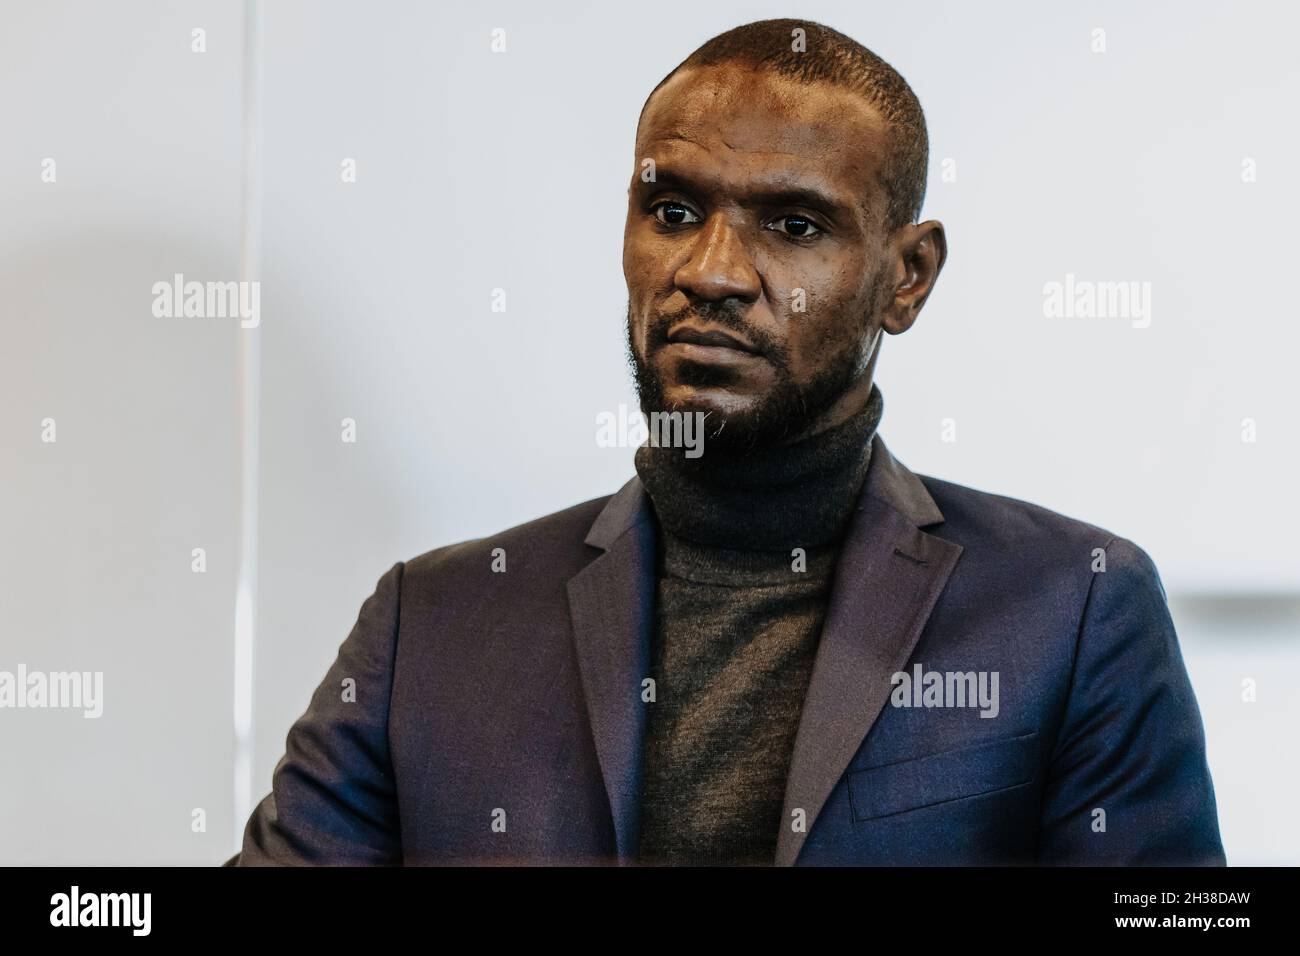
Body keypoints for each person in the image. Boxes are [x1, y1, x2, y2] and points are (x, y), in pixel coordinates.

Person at [230, 18, 1224, 866]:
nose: (707, 271)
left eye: (793, 223)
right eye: (671, 210)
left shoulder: (1071, 605)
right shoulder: (433, 622)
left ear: (907, 276)